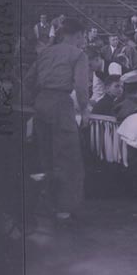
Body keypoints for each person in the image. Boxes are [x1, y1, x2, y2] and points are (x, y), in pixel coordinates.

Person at [24, 16, 90, 220]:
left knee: (46, 156)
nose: (83, 41)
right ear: (78, 36)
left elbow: (28, 81)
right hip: (61, 105)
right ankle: (65, 209)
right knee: (68, 158)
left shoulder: (45, 52)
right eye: (83, 37)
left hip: (40, 104)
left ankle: (49, 205)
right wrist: (85, 109)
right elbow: (80, 87)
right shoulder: (78, 54)